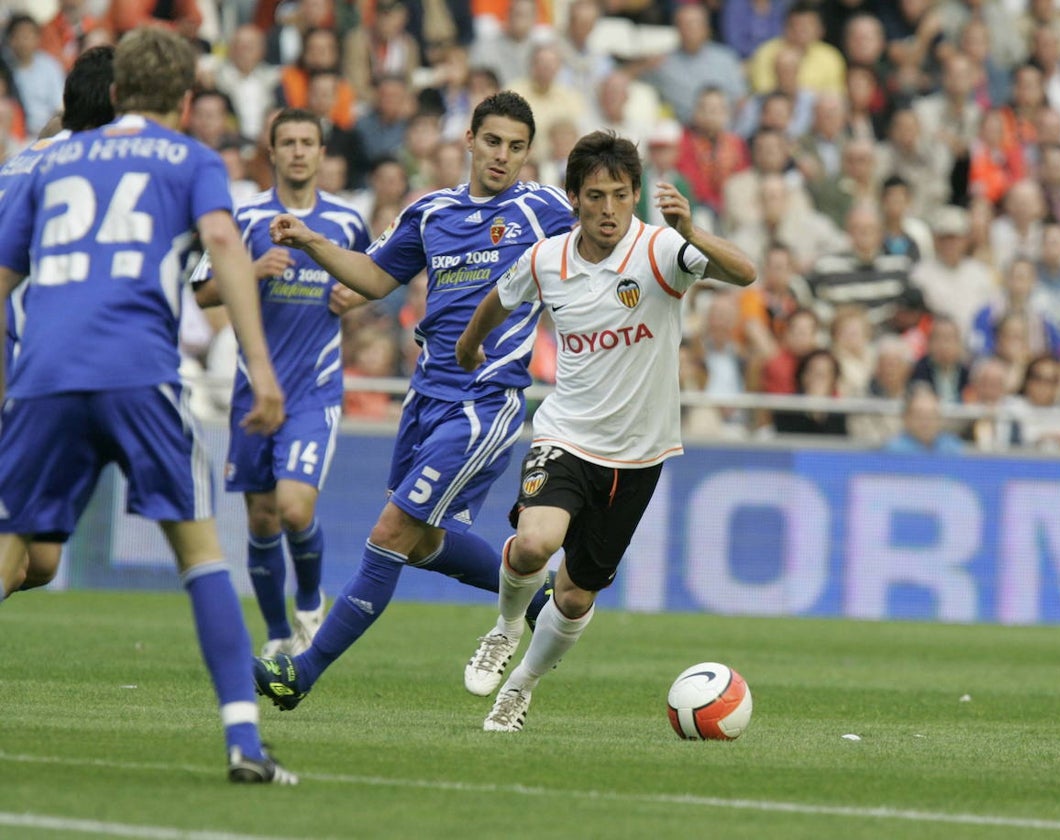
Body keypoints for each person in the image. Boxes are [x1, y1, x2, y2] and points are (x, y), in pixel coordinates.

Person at [0, 28, 293, 784]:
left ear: (115, 91)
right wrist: (261, 369)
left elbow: (4, 278)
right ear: (187, 99)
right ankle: (242, 741)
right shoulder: (190, 158)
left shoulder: (49, 159)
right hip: (136, 369)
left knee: (17, 552)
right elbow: (224, 243)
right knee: (200, 553)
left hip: (42, 376)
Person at [252, 92, 572, 711]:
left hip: (485, 402)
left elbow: (603, 240)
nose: (502, 156)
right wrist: (313, 243)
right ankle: (541, 598)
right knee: (423, 543)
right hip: (426, 401)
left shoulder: (542, 209)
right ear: (470, 140)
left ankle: (303, 673)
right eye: (493, 141)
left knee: (393, 531)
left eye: (516, 146)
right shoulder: (432, 212)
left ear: (527, 153)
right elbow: (374, 278)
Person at [454, 130, 757, 732]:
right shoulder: (548, 260)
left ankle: (521, 688)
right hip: (565, 436)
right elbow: (499, 298)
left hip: (639, 458)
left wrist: (692, 233)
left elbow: (745, 274)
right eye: (595, 196)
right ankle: (505, 627)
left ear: (636, 194)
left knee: (573, 597)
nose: (609, 209)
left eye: (621, 195)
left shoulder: (662, 251)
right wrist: (468, 347)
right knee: (535, 543)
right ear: (574, 199)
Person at [192, 108, 371, 658]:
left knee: (296, 508)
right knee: (263, 517)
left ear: (321, 153)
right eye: (287, 142)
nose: (297, 151)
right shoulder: (242, 219)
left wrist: (356, 297)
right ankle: (275, 635)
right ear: (270, 153)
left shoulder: (344, 222)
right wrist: (247, 272)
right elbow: (201, 293)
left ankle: (311, 605)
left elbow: (371, 278)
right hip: (253, 386)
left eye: (307, 141)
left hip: (315, 389)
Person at [0, 45, 115, 595]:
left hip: (28, 364)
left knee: (39, 561)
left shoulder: (34, 154)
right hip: (16, 370)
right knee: (15, 554)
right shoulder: (77, 171)